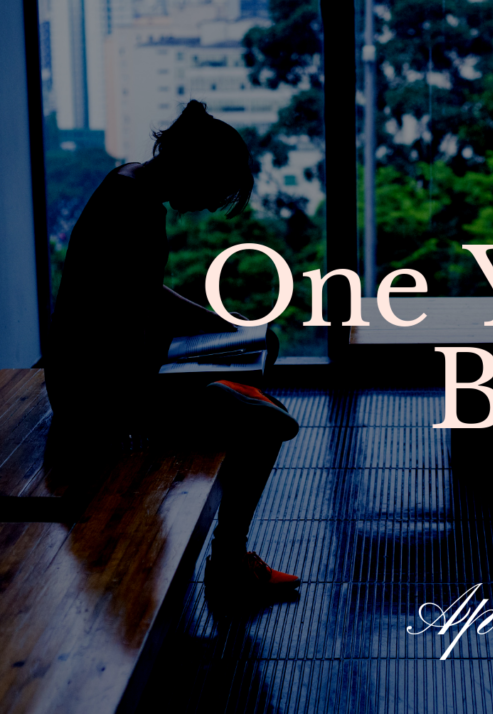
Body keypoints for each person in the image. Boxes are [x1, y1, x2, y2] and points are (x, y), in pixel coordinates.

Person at [45, 100, 301, 596]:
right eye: (213, 190)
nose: (208, 205)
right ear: (194, 168)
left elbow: (140, 292)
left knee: (251, 391)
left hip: (97, 382)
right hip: (105, 402)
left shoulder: (129, 183)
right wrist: (228, 330)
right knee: (270, 422)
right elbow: (143, 299)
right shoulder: (134, 206)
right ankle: (228, 566)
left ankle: (229, 557)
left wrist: (228, 328)